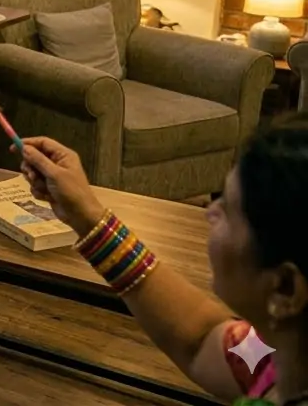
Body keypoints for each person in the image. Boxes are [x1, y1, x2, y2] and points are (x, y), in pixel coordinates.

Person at [18, 124, 308, 405]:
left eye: (229, 210)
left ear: (285, 288)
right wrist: (86, 215)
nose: (210, 211)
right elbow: (201, 339)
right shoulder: (277, 355)